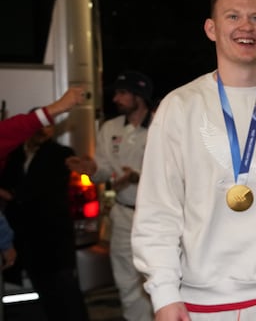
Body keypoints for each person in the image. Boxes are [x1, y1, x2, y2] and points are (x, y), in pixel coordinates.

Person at [131, 0, 256, 320]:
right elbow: (158, 208)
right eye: (233, 16)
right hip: (202, 299)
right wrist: (164, 294)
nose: (246, 26)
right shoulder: (180, 106)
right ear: (211, 28)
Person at [67, 70, 155, 321]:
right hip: (123, 213)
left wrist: (137, 176)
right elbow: (104, 169)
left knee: (158, 275)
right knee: (126, 279)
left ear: (139, 95)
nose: (116, 98)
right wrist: (92, 169)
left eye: (122, 93)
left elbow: (176, 169)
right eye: (116, 93)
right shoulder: (110, 128)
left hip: (157, 216)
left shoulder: (161, 124)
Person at [0, 108, 90, 320]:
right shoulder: (15, 154)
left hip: (53, 237)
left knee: (66, 292)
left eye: (49, 126)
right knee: (46, 294)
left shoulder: (61, 153)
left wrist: (10, 194)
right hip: (27, 238)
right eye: (40, 126)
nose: (44, 130)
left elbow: (37, 187)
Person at [0, 86, 86, 160]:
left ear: (53, 129)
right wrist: (57, 107)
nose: (42, 130)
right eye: (38, 125)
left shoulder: (63, 154)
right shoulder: (13, 151)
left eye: (47, 126)